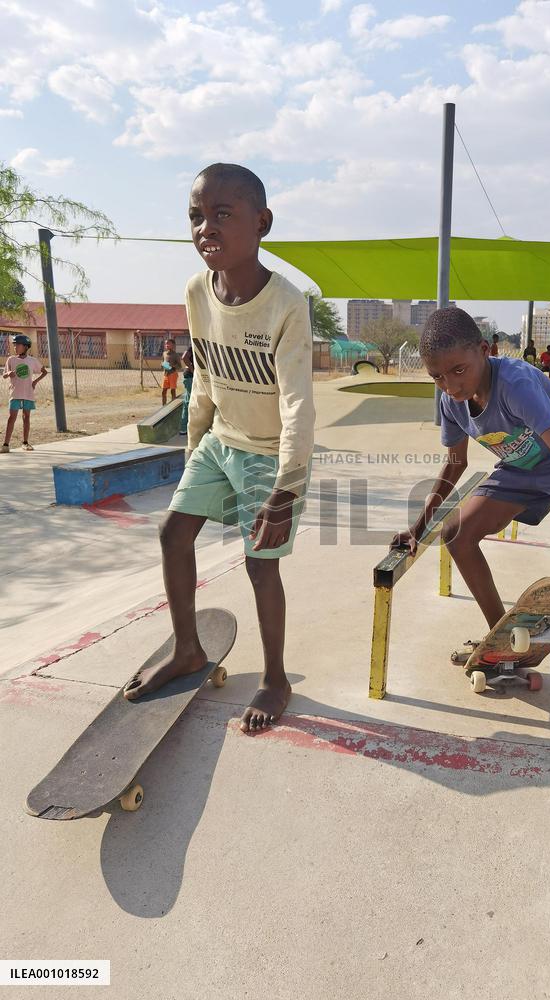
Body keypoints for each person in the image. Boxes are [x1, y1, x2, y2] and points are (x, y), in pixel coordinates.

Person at [123, 162, 315, 736]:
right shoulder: (194, 292)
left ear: (262, 223)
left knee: (261, 566)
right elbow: (203, 379)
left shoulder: (287, 304)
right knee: (173, 532)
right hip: (219, 442)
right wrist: (193, 455)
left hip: (267, 454)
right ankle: (187, 650)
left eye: (222, 215)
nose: (206, 228)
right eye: (196, 216)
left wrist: (287, 487)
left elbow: (297, 405)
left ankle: (276, 678)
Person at [391, 307, 550, 719]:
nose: (450, 385)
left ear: (484, 350)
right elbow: (455, 464)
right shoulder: (449, 400)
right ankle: (505, 643)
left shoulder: (516, 384)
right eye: (438, 377)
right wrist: (417, 528)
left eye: (459, 370)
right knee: (456, 534)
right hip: (521, 468)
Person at [2, 334, 47, 453]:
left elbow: (44, 372)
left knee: (26, 417)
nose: (15, 347)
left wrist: (35, 382)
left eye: (18, 345)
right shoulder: (11, 359)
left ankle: (25, 443)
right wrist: (9, 373)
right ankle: (6, 444)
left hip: (28, 393)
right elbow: (4, 375)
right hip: (15, 393)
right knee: (11, 418)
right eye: (15, 345)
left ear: (26, 347)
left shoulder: (32, 361)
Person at [161, 337, 183, 405]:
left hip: (173, 374)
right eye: (166, 344)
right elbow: (162, 362)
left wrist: (172, 366)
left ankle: (172, 405)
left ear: (173, 345)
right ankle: (163, 406)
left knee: (172, 390)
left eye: (169, 344)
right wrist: (162, 364)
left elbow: (180, 366)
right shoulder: (164, 353)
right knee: (163, 391)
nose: (167, 345)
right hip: (165, 374)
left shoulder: (176, 355)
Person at [179, 344, 194, 436]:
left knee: (187, 402)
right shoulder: (193, 346)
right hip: (190, 376)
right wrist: (193, 370)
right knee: (189, 402)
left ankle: (184, 428)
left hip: (189, 376)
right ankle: (185, 428)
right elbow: (184, 357)